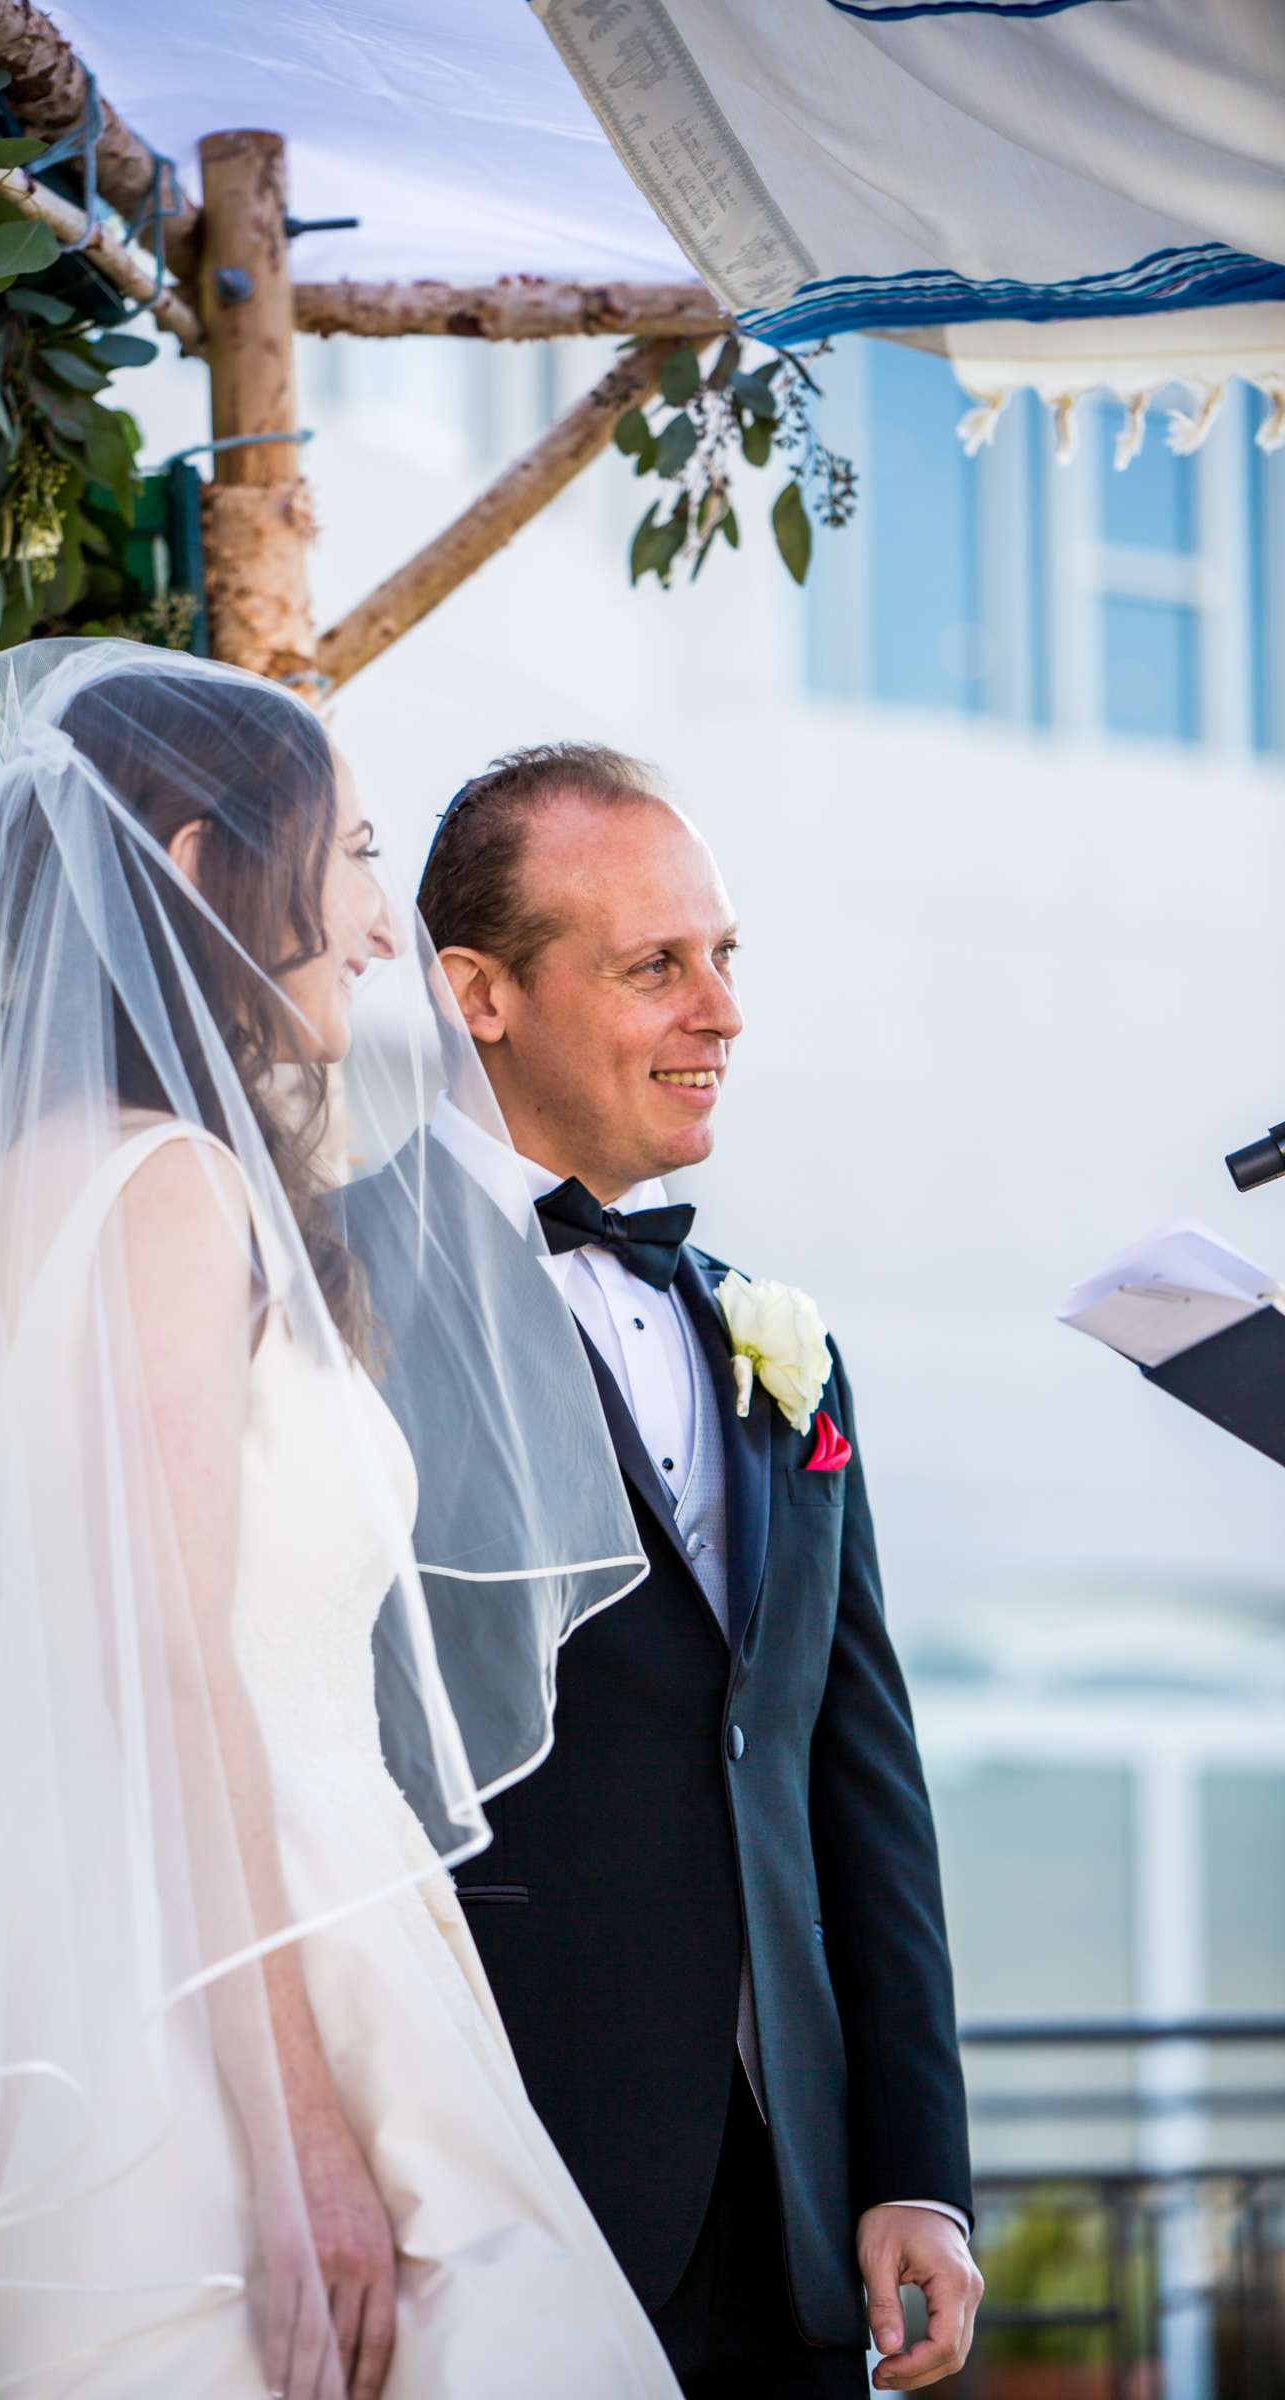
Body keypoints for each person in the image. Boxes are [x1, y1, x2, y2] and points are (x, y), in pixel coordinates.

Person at [0, 647, 682, 2400]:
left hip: (183, 1921)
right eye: (350, 864)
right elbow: (162, 1669)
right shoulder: (159, 1190)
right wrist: (304, 2133)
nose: (382, 930)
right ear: (194, 868)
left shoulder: (38, 1190)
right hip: (239, 1975)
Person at [355, 744, 984, 2399]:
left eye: (725, 957)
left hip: (789, 2229)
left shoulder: (777, 1337)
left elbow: (858, 1777)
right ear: (478, 993)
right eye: (656, 966)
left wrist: (913, 2165)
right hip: (479, 2179)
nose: (722, 1011)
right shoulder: (332, 1287)